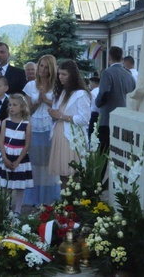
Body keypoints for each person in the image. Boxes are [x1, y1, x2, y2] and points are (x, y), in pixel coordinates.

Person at [48, 60, 92, 190]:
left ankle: (73, 202)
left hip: (72, 137)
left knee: (73, 173)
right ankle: (65, 202)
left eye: (64, 74)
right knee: (63, 173)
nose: (61, 77)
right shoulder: (61, 92)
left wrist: (61, 116)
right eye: (60, 74)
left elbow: (84, 118)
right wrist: (53, 114)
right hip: (60, 134)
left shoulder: (81, 94)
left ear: (72, 75)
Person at [23, 55, 60, 206]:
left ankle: (49, 197)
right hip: (35, 127)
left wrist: (45, 99)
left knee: (48, 164)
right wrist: (39, 100)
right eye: (41, 66)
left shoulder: (58, 87)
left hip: (51, 127)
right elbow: (27, 111)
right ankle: (34, 198)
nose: (42, 70)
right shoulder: (30, 85)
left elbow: (60, 107)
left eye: (46, 67)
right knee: (34, 163)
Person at [0, 94, 33, 214]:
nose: (11, 107)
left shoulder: (27, 124)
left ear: (22, 107)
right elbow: (1, 140)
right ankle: (5, 208)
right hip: (7, 154)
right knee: (5, 184)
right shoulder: (5, 122)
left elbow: (27, 145)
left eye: (15, 105)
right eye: (10, 104)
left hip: (20, 157)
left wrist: (18, 161)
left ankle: (18, 210)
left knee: (19, 185)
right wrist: (4, 157)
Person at [95, 46, 135, 153]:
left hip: (107, 117)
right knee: (119, 152)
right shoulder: (129, 76)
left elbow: (104, 93)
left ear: (109, 57)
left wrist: (97, 103)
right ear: (122, 58)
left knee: (103, 151)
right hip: (124, 117)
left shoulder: (107, 73)